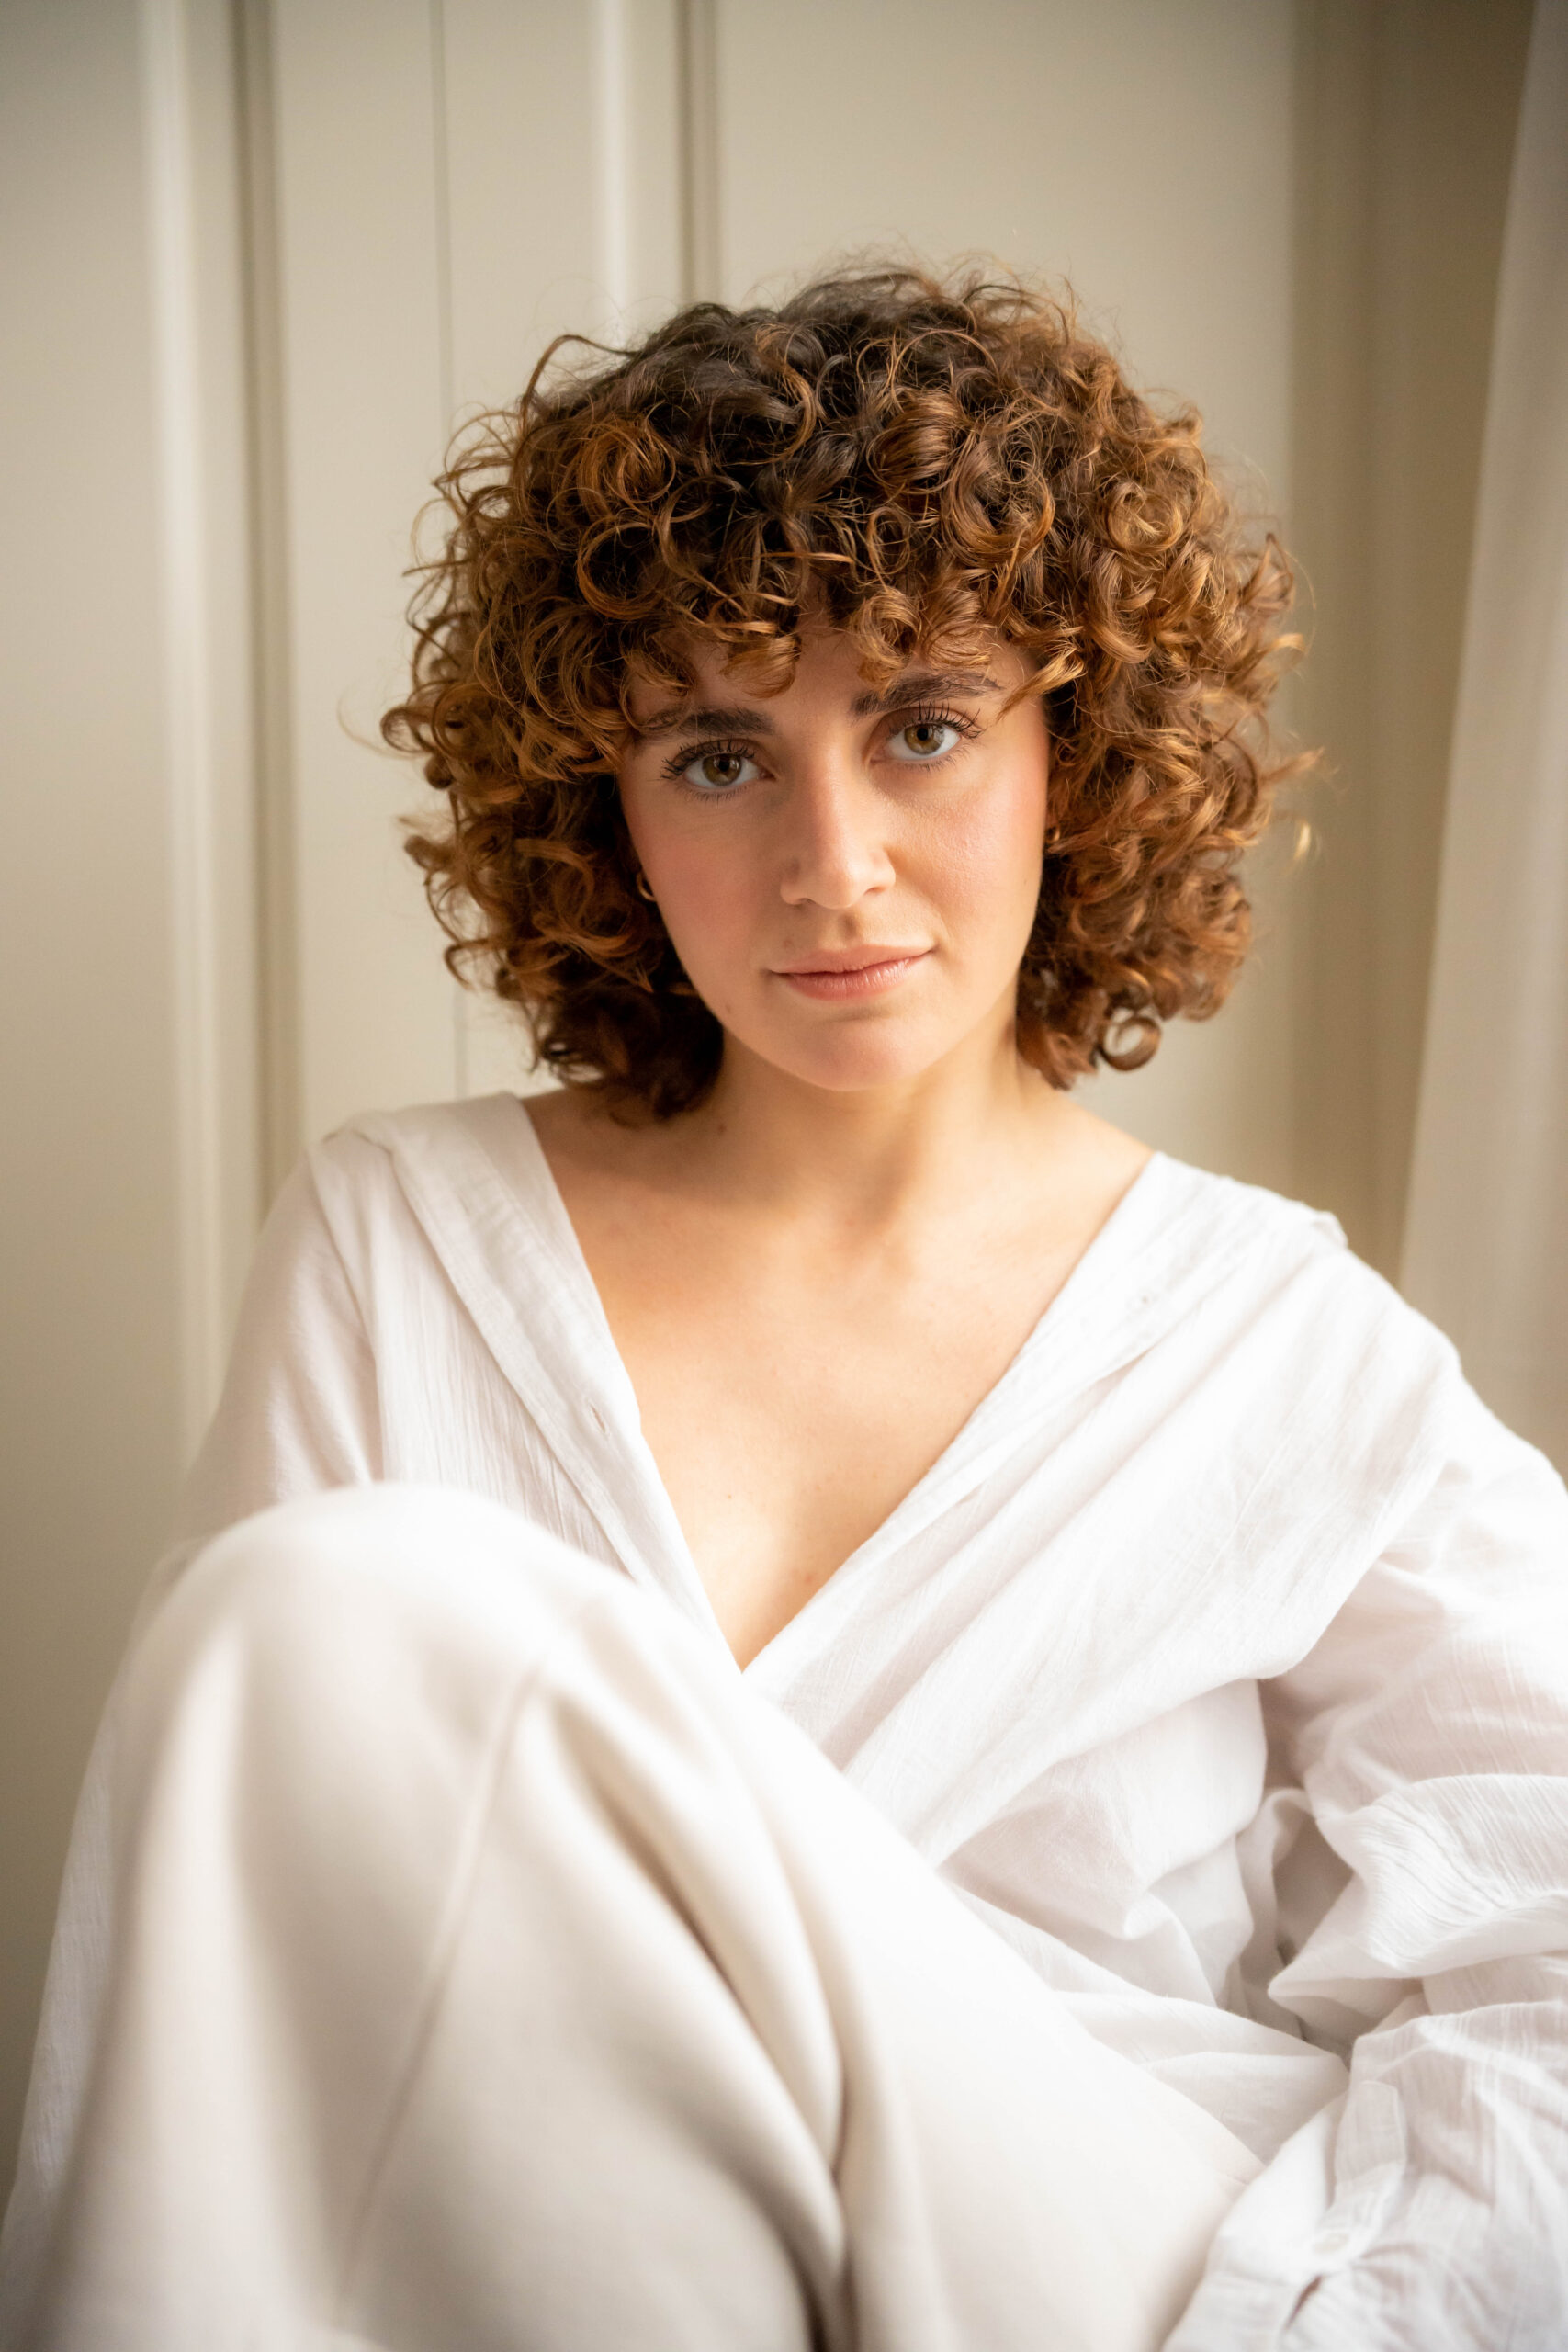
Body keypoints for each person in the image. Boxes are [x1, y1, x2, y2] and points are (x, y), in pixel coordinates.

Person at [3, 268, 1565, 2352]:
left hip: (1100, 2271)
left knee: (322, 1599)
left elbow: (1546, 1943)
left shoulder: (1284, 1349)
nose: (833, 864)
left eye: (922, 728)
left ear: (1075, 750)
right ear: (608, 808)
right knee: (303, 1645)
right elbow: (244, 1955)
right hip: (551, 2264)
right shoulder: (402, 1242)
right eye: (721, 753)